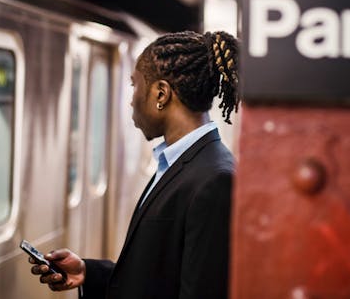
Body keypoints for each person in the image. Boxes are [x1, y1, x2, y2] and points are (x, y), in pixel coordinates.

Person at [29, 30, 240, 299]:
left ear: (161, 94)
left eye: (134, 85)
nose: (132, 99)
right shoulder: (181, 164)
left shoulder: (215, 180)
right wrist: (88, 273)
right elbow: (158, 278)